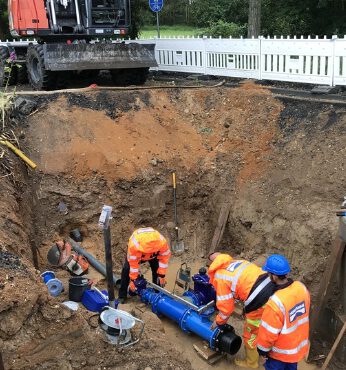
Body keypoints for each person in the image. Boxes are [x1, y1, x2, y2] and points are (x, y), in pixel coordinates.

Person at [208, 252, 276, 369]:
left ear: (212, 266)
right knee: (270, 324)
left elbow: (226, 309)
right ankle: (269, 348)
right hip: (273, 289)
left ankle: (251, 363)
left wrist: (218, 322)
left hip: (259, 300)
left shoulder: (220, 277)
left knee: (250, 334)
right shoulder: (237, 262)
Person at [256, 254, 310, 370]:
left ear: (274, 276)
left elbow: (268, 333)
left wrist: (262, 352)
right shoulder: (301, 288)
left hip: (279, 355)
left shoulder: (275, 302)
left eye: (269, 274)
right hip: (295, 349)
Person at [118, 227, 171, 303]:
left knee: (157, 269)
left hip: (154, 254)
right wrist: (133, 280)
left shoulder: (162, 243)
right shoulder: (134, 246)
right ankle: (122, 295)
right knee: (126, 269)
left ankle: (157, 294)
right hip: (138, 253)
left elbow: (164, 259)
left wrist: (162, 275)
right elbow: (133, 265)